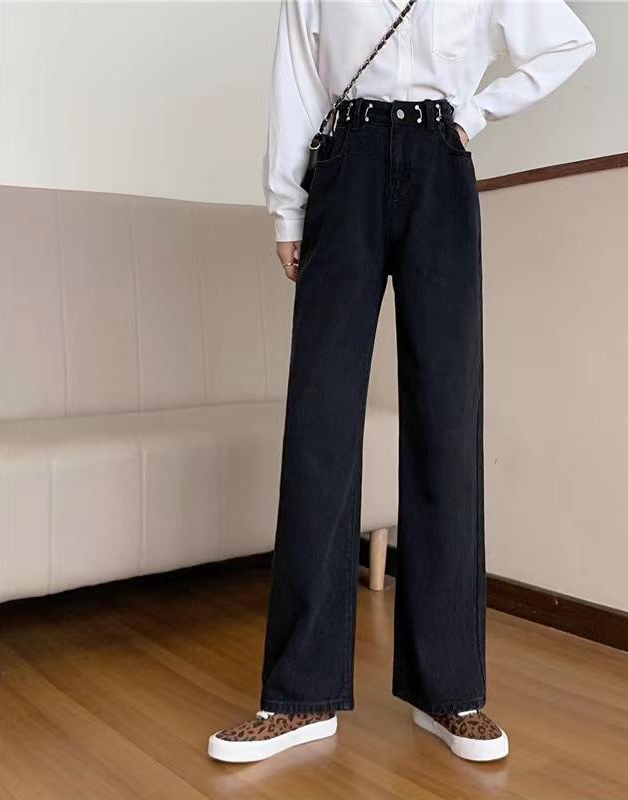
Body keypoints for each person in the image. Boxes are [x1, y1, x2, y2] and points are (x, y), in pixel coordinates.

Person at [208, 0, 595, 764]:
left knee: (446, 421)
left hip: (439, 168)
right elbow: (298, 79)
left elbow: (567, 43)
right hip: (344, 165)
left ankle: (449, 691)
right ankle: (298, 695)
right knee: (319, 424)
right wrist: (287, 208)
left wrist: (474, 113)